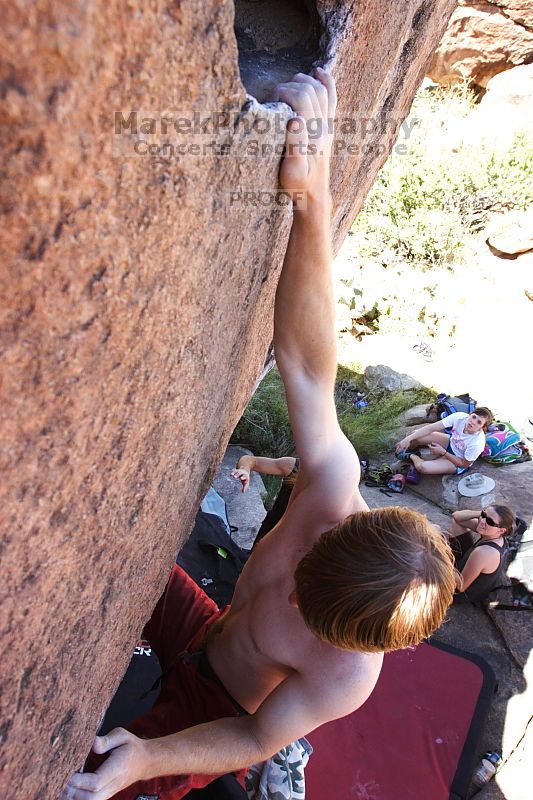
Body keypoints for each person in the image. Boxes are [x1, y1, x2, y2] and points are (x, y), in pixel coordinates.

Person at [62, 70, 456, 800]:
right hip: (208, 629)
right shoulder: (331, 493)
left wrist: (145, 759)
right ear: (335, 534)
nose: (294, 596)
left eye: (310, 615)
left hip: (219, 706)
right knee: (92, 546)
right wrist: (313, 199)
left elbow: (248, 735)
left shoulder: (345, 677)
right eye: (310, 567)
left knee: (91, 780)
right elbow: (308, 367)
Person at [395, 408, 493, 476]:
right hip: (451, 442)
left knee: (423, 468)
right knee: (416, 435)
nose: (473, 422)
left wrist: (443, 452)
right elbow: (431, 428)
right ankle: (410, 450)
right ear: (470, 414)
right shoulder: (460, 417)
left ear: (482, 427)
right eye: (474, 417)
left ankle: (413, 456)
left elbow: (464, 464)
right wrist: (408, 439)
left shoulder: (477, 443)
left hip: (458, 460)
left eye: (479, 422)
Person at [448, 504, 515, 604]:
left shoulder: (484, 552)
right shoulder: (495, 534)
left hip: (460, 592)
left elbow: (460, 586)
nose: (482, 521)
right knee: (456, 523)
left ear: (501, 530)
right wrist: (481, 514)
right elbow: (456, 517)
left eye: (490, 521)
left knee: (429, 558)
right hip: (467, 565)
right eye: (483, 515)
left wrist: (441, 562)